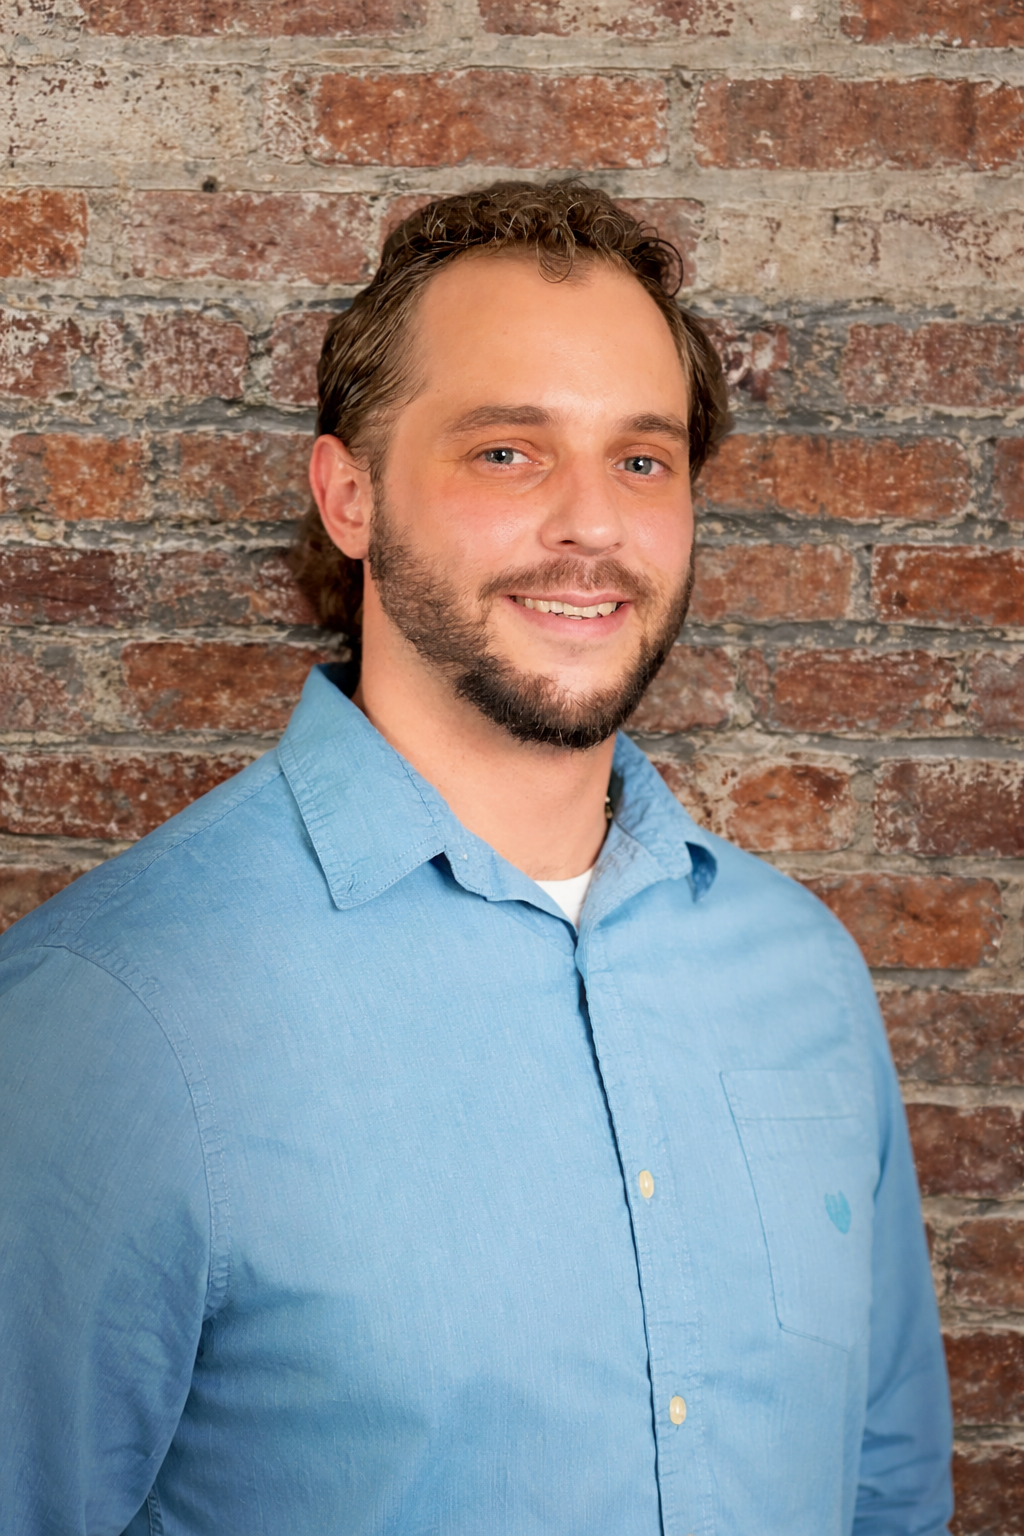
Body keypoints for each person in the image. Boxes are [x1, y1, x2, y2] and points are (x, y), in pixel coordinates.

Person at [0, 181, 952, 1536]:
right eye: (507, 452)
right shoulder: (104, 1016)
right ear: (347, 494)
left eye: (642, 459)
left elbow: (888, 1492)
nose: (593, 527)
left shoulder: (802, 973)